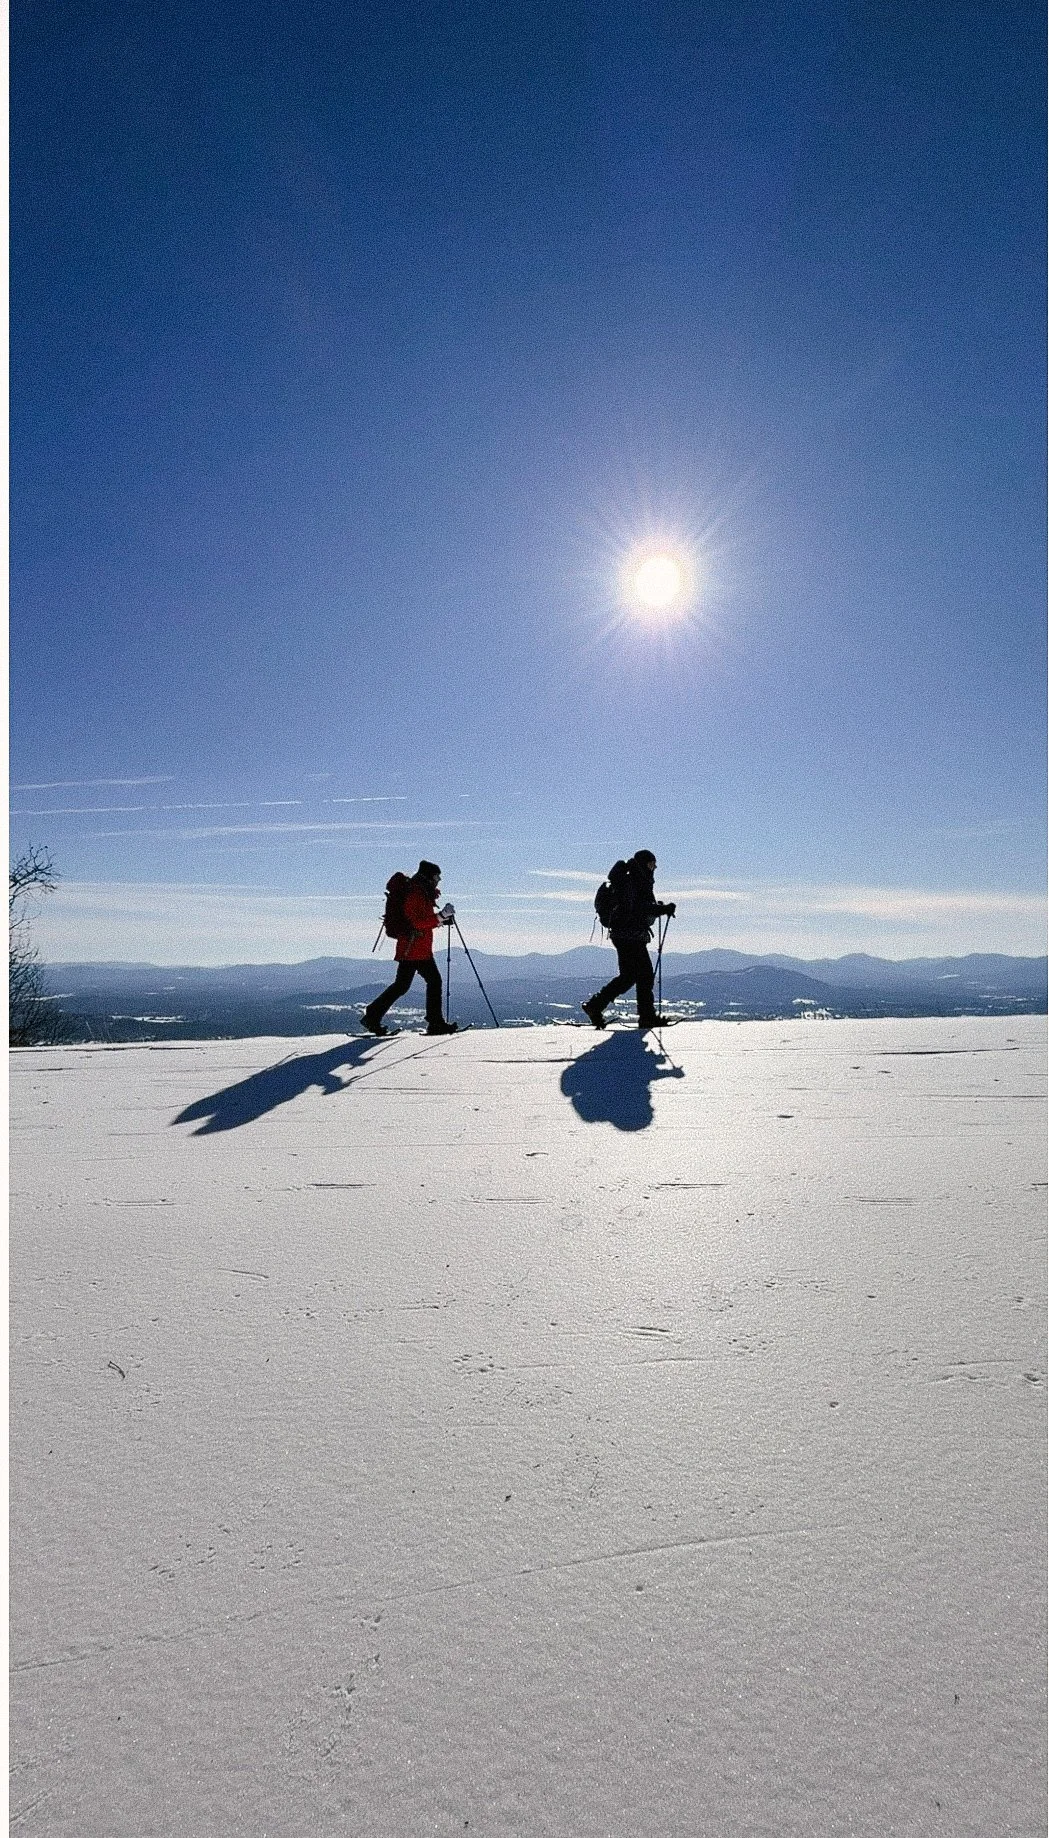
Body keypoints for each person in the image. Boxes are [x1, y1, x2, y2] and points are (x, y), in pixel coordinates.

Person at [361, 861, 458, 1036]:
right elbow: (417, 922)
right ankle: (435, 1023)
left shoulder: (420, 891)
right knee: (432, 981)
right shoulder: (416, 892)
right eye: (437, 876)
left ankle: (372, 1015)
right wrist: (440, 916)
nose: (439, 879)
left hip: (414, 947)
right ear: (429, 876)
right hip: (414, 948)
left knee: (403, 985)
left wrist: (440, 919)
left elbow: (422, 920)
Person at [582, 850, 676, 1030]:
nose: (654, 868)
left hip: (624, 934)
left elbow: (638, 906)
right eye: (651, 864)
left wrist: (658, 909)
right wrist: (661, 910)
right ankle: (646, 1017)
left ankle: (595, 1006)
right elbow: (638, 908)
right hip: (630, 934)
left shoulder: (630, 878)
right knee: (644, 975)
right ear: (644, 864)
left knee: (629, 976)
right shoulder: (634, 880)